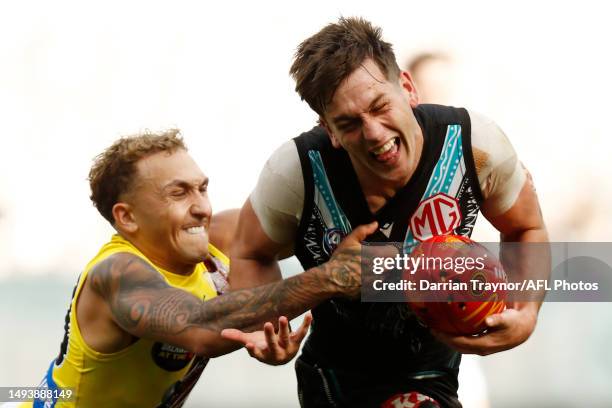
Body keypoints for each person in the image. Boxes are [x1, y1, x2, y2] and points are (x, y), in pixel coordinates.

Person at [229, 17, 549, 407]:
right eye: (348, 123)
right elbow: (249, 250)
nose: (374, 133)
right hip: (334, 376)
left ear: (408, 88)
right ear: (328, 129)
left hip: (432, 368)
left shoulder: (475, 144)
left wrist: (526, 312)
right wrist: (262, 327)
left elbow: (525, 228)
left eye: (380, 107)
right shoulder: (294, 171)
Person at [16, 129, 376, 408]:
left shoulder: (222, 236)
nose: (202, 208)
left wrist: (429, 282)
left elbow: (338, 237)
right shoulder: (116, 275)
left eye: (202, 189)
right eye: (179, 193)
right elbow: (203, 326)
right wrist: (330, 278)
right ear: (127, 217)